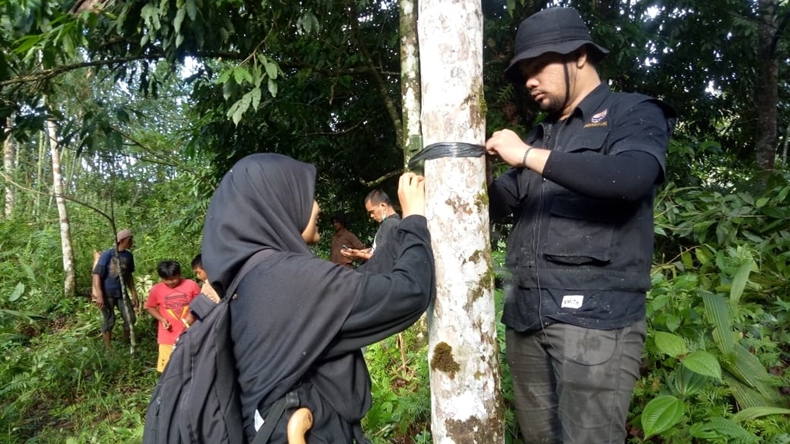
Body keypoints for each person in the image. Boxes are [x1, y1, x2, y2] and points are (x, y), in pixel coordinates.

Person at [485, 7, 676, 444]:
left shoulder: (633, 112)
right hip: (526, 317)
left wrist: (526, 156)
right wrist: (473, 170)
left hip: (594, 319)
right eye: (524, 72)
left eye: (539, 66)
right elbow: (499, 203)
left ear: (580, 57)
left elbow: (631, 179)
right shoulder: (540, 135)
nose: (530, 80)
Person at [202, 153, 433, 442]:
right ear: (278, 204)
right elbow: (409, 292)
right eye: (307, 196)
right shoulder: (288, 277)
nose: (317, 206)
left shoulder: (254, 276)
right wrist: (414, 218)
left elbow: (366, 280)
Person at [144, 260, 201, 372]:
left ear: (179, 274)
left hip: (191, 334)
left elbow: (201, 303)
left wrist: (193, 316)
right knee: (167, 369)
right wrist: (162, 319)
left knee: (191, 366)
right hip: (168, 336)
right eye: (166, 280)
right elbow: (149, 307)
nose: (170, 282)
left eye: (173, 278)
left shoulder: (191, 285)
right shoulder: (156, 289)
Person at [92, 229, 140, 349]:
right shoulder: (108, 254)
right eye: (130, 239)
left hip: (121, 293)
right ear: (122, 240)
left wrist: (133, 292)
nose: (131, 242)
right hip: (106, 293)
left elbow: (128, 275)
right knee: (109, 320)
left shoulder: (129, 256)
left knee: (130, 318)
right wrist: (99, 294)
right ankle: (109, 348)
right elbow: (97, 274)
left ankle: (125, 343)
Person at [341, 190, 401, 269]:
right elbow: (381, 249)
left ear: (383, 206)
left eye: (372, 212)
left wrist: (359, 255)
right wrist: (363, 251)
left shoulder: (390, 224)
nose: (371, 216)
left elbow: (381, 258)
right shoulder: (392, 223)